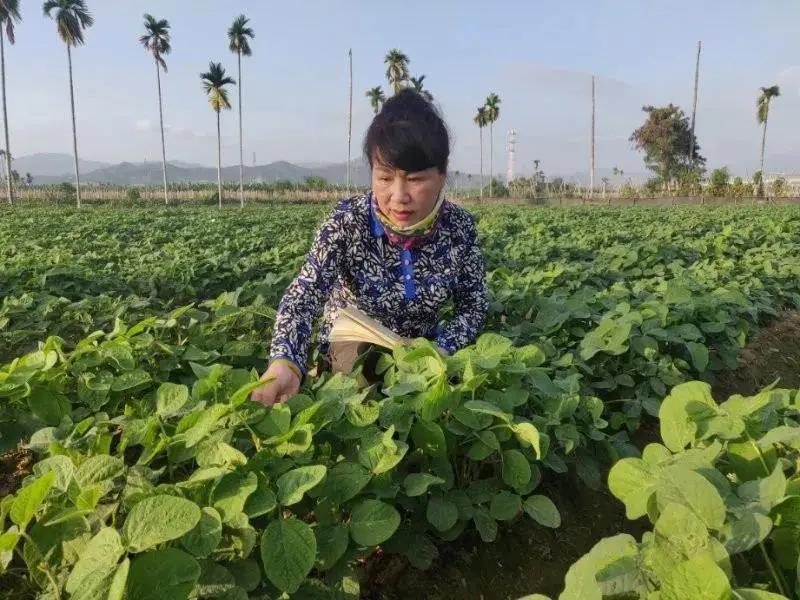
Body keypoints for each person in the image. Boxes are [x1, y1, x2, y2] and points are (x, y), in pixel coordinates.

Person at [251, 89, 488, 406]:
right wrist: (284, 361)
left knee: (451, 388)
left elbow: (473, 305)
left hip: (422, 350)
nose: (398, 196)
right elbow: (305, 293)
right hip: (354, 344)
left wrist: (441, 349)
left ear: (442, 175)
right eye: (385, 178)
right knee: (362, 379)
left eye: (415, 179)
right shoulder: (348, 222)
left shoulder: (458, 228)